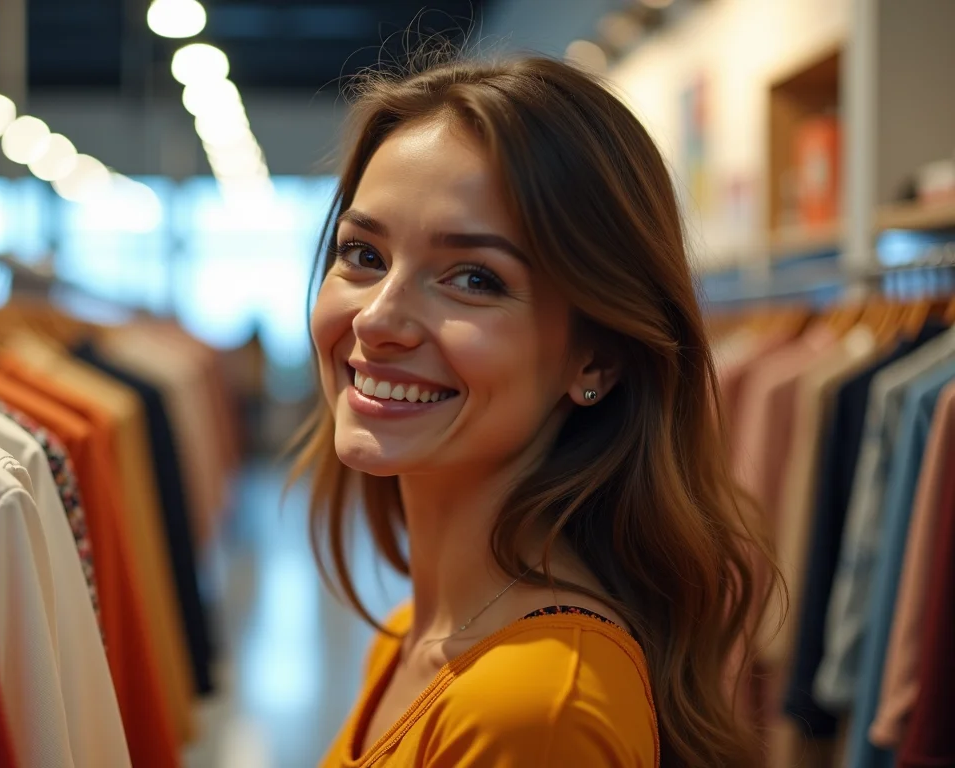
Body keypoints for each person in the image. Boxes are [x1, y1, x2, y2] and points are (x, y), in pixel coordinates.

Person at [291, 55, 777, 767]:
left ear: (596, 360)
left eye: (473, 278)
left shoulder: (536, 712)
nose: (377, 318)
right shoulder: (413, 639)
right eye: (363, 253)